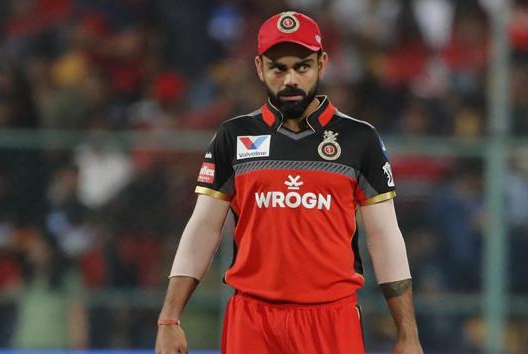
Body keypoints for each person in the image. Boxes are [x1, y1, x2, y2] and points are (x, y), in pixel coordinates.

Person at [155, 11, 424, 354]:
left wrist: (408, 335)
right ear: (259, 67)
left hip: (332, 318)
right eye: (278, 68)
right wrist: (169, 319)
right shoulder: (234, 136)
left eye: (302, 66)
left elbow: (385, 237)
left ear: (322, 63)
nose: (290, 79)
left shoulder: (360, 139)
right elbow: (203, 228)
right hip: (252, 320)